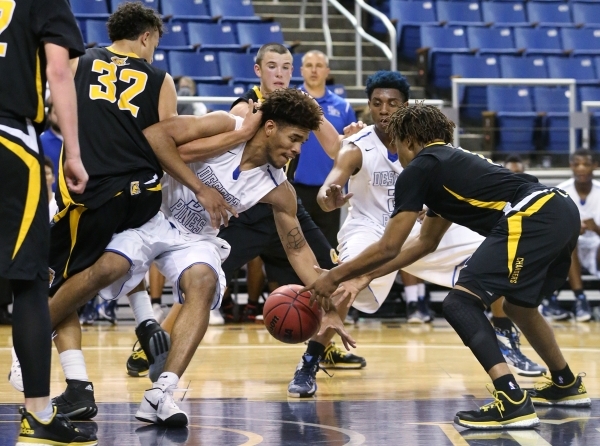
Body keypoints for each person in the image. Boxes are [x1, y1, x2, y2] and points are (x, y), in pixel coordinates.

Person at [303, 104, 590, 430]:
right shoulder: (450, 167)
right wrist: (363, 278)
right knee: (519, 307)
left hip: (533, 215)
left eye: (397, 146)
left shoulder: (420, 168)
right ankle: (566, 383)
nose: (396, 156)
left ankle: (511, 399)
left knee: (459, 302)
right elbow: (424, 243)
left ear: (410, 140)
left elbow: (389, 245)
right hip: (559, 211)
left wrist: (338, 275)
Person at [99, 89, 354, 426]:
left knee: (203, 284)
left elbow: (297, 249)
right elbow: (155, 139)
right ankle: (44, 345)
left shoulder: (279, 190)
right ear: (269, 127)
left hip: (193, 240)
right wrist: (231, 146)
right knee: (102, 270)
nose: (297, 149)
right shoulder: (225, 124)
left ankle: (162, 392)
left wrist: (331, 308)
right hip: (151, 215)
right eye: (294, 138)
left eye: (302, 143)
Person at [40, 1, 233, 422]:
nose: (155, 52)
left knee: (66, 286)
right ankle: (146, 323)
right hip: (144, 196)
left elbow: (56, 112)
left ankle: (54, 368)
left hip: (91, 193)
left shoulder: (79, 62)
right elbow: (169, 140)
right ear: (147, 36)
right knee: (125, 255)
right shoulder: (160, 80)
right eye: (155, 44)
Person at [0, 0, 96, 444]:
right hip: (10, 141)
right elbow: (59, 72)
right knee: (30, 281)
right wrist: (72, 153)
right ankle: (38, 414)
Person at [292, 50, 357, 248]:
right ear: (301, 70)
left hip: (331, 187)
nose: (314, 70)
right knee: (295, 245)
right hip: (295, 187)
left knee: (327, 247)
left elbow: (352, 147)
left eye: (319, 65)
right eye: (309, 65)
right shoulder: (291, 101)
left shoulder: (343, 107)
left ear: (327, 71)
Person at [548, 149, 596, 323]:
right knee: (568, 242)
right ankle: (581, 299)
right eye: (577, 164)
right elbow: (553, 230)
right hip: (570, 246)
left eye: (586, 164)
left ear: (595, 166)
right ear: (571, 167)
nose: (581, 168)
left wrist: (596, 228)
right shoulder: (560, 191)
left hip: (596, 245)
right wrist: (574, 228)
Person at [39, 96, 63, 191]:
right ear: (49, 116)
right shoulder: (41, 141)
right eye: (56, 113)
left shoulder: (80, 141)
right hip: (49, 198)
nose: (61, 116)